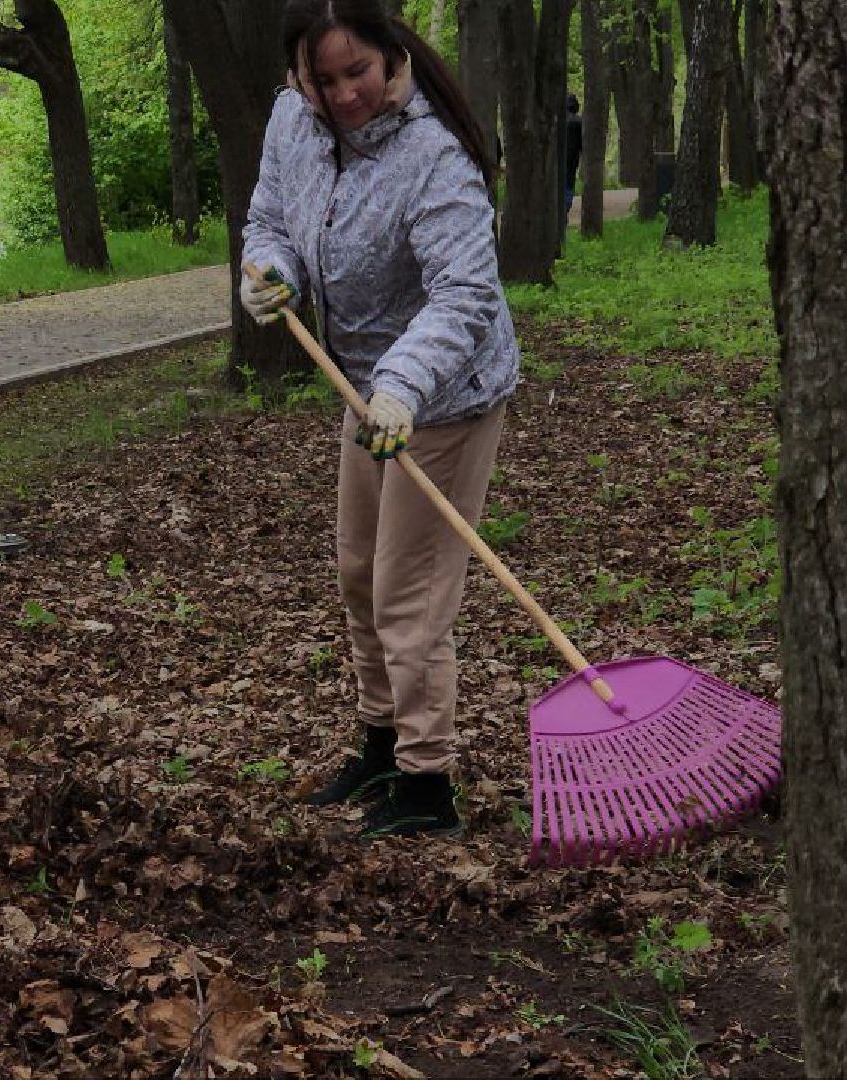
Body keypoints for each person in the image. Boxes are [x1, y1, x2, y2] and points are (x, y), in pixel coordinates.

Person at [240, 0, 520, 839]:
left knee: (409, 596)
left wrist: (402, 386)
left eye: (355, 71)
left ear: (390, 53)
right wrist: (269, 270)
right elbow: (269, 218)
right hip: (363, 390)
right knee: (358, 573)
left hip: (444, 396)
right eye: (320, 78)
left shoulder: (434, 154)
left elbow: (465, 294)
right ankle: (379, 745)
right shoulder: (293, 117)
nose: (341, 93)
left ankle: (427, 786)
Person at [562, 93, 583, 223]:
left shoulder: (558, 120)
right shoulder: (579, 122)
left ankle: (560, 208)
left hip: (557, 160)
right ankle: (565, 207)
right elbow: (582, 143)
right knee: (569, 185)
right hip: (572, 161)